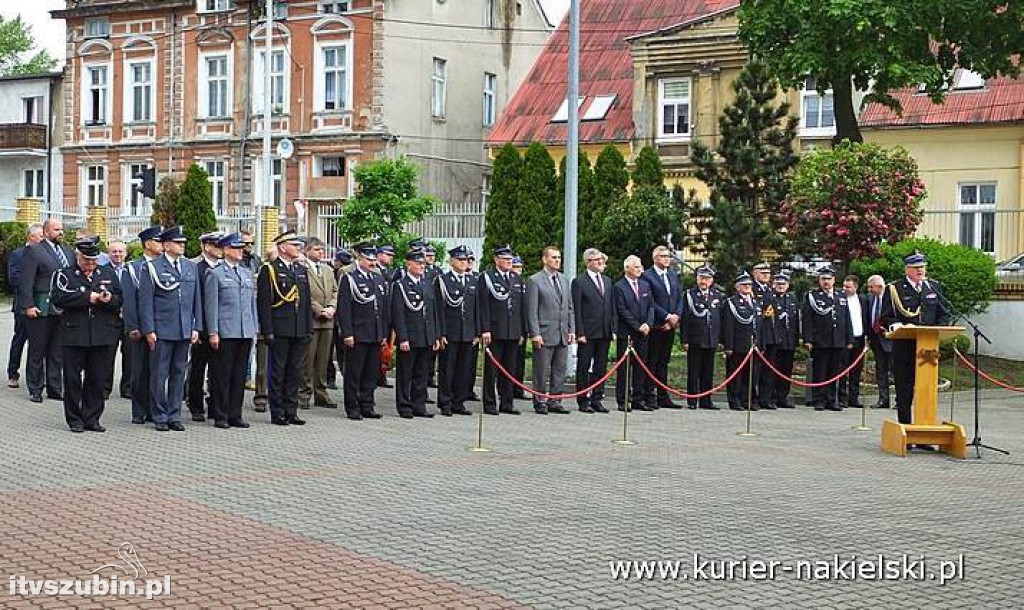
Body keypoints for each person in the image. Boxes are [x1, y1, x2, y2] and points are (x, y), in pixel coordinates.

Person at [51, 237, 122, 433]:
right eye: (86, 261)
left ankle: (92, 418)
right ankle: (74, 419)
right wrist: (87, 297)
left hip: (101, 334)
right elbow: (58, 298)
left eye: (94, 260)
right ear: (77, 257)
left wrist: (108, 299)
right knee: (73, 379)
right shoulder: (64, 274)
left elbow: (119, 299)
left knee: (97, 379)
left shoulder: (107, 273)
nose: (90, 265)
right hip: (74, 334)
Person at [139, 226, 203, 431]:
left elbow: (196, 300)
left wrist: (196, 326)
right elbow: (146, 302)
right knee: (159, 374)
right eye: (178, 243)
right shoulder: (152, 267)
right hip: (162, 329)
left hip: (184, 329)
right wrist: (149, 329)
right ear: (166, 245)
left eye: (183, 243)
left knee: (178, 373)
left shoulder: (189, 267)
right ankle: (159, 415)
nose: (182, 246)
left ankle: (174, 414)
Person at [879, 252, 951, 427]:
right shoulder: (894, 289)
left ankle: (924, 430)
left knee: (925, 390)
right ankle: (905, 427)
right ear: (907, 269)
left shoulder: (933, 287)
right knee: (904, 390)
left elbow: (944, 313)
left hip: (928, 347)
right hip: (904, 346)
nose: (920, 270)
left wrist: (938, 329)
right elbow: (886, 316)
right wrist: (897, 326)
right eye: (916, 267)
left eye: (923, 267)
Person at [257, 231, 313, 426]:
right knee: (278, 372)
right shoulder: (270, 270)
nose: (298, 248)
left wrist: (308, 328)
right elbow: (264, 304)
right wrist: (267, 331)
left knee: (295, 372)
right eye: (294, 244)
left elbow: (305, 303)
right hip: (280, 328)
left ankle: (291, 410)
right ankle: (277, 411)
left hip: (298, 329)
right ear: (282, 247)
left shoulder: (300, 270)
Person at [204, 233, 257, 429]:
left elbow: (252, 304)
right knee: (222, 375)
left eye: (242, 248)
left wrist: (254, 328)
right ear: (226, 250)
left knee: (239, 375)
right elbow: (212, 306)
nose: (241, 251)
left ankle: (236, 414)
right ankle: (221, 414)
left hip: (244, 330)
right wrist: (213, 332)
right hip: (225, 331)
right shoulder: (215, 273)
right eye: (236, 248)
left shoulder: (245, 273)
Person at [18, 217, 75, 403]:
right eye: (57, 229)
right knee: (37, 349)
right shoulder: (35, 251)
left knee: (57, 351)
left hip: (61, 307)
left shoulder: (67, 252)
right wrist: (28, 305)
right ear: (46, 231)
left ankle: (55, 387)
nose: (61, 232)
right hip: (40, 306)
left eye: (61, 229)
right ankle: (35, 388)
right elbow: (25, 281)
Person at [337, 243, 387, 420]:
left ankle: (367, 404)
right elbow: (344, 308)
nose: (372, 263)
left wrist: (383, 334)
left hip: (374, 333)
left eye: (374, 259)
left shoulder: (378, 279)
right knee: (353, 373)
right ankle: (352, 407)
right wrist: (347, 333)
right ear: (359, 259)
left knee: (371, 373)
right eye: (368, 259)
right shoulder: (349, 278)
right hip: (358, 333)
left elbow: (382, 309)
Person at [391, 248, 442, 419]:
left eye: (423, 264)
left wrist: (435, 336)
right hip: (410, 337)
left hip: (426, 336)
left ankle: (418, 405)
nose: (422, 266)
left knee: (421, 373)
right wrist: (402, 337)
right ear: (409, 264)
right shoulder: (401, 285)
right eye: (418, 263)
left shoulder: (427, 284)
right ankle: (404, 406)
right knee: (406, 373)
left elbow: (432, 312)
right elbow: (398, 314)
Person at [526, 246, 575, 415]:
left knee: (559, 369)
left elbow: (569, 308)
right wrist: (535, 333)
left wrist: (571, 330)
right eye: (553, 257)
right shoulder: (535, 280)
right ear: (544, 259)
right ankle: (540, 401)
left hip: (561, 332)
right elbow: (531, 310)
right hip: (544, 332)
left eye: (559, 257)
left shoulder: (564, 280)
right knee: (541, 370)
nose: (557, 260)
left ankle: (555, 400)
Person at [122, 226, 163, 424]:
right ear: (147, 244)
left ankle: (155, 407)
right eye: (158, 241)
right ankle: (139, 410)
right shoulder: (133, 268)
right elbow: (129, 300)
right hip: (139, 327)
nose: (162, 244)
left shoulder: (166, 266)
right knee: (139, 370)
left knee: (158, 371)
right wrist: (133, 327)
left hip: (161, 327)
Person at [479, 246, 526, 415]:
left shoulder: (516, 278)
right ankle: (490, 404)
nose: (509, 262)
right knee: (491, 371)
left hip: (512, 331)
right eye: (505, 259)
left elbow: (521, 307)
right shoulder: (488, 278)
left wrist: (522, 331)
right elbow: (483, 306)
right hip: (495, 331)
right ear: (496, 260)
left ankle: (507, 403)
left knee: (510, 369)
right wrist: (485, 329)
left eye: (510, 259)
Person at [801, 266, 853, 411]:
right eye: (823, 279)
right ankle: (819, 399)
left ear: (834, 280)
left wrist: (849, 339)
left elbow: (846, 319)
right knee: (820, 372)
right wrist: (808, 340)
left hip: (838, 340)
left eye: (829, 279)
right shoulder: (812, 297)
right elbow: (807, 320)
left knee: (834, 372)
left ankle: (832, 400)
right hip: (820, 341)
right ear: (819, 280)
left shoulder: (841, 296)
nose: (826, 282)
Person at [185, 231, 224, 421]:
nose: (221, 250)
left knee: (218, 369)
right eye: (217, 246)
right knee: (198, 367)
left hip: (220, 326)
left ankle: (215, 405)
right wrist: (196, 326)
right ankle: (195, 405)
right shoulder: (194, 267)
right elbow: (193, 299)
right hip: (202, 326)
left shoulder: (224, 267)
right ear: (207, 247)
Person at [436, 245, 478, 417]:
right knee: (448, 369)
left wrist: (478, 331)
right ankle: (445, 403)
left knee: (464, 370)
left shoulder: (472, 281)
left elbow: (477, 309)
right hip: (450, 332)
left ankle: (459, 402)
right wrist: (441, 333)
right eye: (460, 260)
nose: (463, 263)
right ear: (452, 261)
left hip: (467, 332)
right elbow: (438, 309)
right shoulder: (443, 281)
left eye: (466, 260)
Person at [571, 248, 615, 413]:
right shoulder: (579, 282)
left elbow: (611, 307)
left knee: (600, 367)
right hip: (588, 333)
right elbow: (577, 309)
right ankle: (583, 400)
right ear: (588, 262)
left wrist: (612, 329)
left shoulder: (607, 281)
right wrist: (579, 332)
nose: (601, 262)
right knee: (583, 366)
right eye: (597, 260)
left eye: (602, 260)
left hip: (604, 331)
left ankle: (597, 398)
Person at [641, 246, 683, 409]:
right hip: (657, 325)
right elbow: (650, 301)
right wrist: (666, 316)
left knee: (663, 362)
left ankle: (663, 396)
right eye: (663, 256)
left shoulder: (672, 275)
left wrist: (676, 316)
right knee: (652, 361)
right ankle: (649, 395)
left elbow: (679, 297)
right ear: (655, 258)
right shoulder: (647, 276)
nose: (667, 259)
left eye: (668, 256)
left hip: (670, 325)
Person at [300, 237, 339, 409]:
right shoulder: (302, 268)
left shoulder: (328, 270)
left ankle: (321, 393)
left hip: (328, 322)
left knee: (323, 360)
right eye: (317, 249)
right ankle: (304, 393)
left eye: (322, 249)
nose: (321, 252)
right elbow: (304, 293)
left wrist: (331, 307)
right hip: (312, 320)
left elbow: (336, 291)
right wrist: (319, 310)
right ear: (307, 250)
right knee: (308, 360)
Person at [614, 255, 654, 411]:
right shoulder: (619, 287)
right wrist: (637, 326)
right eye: (636, 267)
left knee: (641, 366)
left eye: (640, 266)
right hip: (627, 333)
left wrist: (648, 324)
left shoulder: (645, 285)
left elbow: (651, 306)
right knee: (624, 368)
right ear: (627, 268)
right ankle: (623, 400)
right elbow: (622, 310)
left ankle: (638, 398)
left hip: (643, 333)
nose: (640, 269)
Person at [680, 263, 723, 410]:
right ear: (697, 279)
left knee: (708, 371)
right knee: (694, 371)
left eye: (707, 278)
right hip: (695, 339)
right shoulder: (689, 295)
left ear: (711, 280)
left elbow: (719, 319)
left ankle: (706, 400)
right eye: (701, 278)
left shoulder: (717, 296)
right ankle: (692, 400)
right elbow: (685, 319)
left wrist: (720, 339)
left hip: (711, 339)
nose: (704, 281)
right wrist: (684, 339)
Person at [6, 223, 43, 388]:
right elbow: (13, 278)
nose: (43, 239)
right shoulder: (18, 254)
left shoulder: (45, 254)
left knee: (41, 343)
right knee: (20, 339)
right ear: (31, 237)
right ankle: (13, 373)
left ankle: (40, 376)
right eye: (40, 236)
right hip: (22, 305)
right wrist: (31, 282)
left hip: (42, 305)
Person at [721, 272, 762, 411]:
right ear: (737, 287)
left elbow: (759, 325)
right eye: (744, 285)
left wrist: (760, 344)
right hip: (738, 344)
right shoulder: (731, 303)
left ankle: (748, 400)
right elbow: (728, 325)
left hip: (753, 345)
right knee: (735, 375)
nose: (747, 287)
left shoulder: (755, 302)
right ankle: (735, 401)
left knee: (750, 375)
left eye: (749, 285)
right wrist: (728, 346)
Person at [763, 272, 800, 409]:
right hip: (775, 341)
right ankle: (771, 397)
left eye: (783, 284)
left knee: (786, 371)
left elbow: (795, 321)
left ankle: (782, 396)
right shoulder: (770, 299)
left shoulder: (792, 299)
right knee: (772, 371)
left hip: (789, 341)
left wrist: (796, 340)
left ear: (788, 285)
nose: (781, 286)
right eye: (778, 284)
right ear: (773, 285)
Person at [240, 230, 268, 411]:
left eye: (251, 244)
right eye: (245, 244)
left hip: (255, 308)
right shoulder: (234, 262)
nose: (248, 247)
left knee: (256, 351)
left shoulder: (256, 260)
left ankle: (254, 385)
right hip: (239, 312)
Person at [102, 241, 131, 400]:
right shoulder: (103, 271)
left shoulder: (132, 270)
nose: (117, 254)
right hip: (110, 318)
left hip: (128, 319)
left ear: (125, 253)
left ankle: (127, 388)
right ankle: (105, 388)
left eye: (120, 252)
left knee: (130, 355)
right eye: (114, 252)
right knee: (107, 355)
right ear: (108, 253)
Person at [838, 275, 869, 408]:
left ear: (856, 287)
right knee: (843, 369)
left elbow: (866, 318)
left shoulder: (863, 300)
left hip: (860, 338)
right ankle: (842, 397)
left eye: (848, 287)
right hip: (844, 339)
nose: (845, 289)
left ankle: (853, 398)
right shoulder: (840, 299)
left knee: (856, 370)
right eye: (844, 286)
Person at [326, 249, 354, 390]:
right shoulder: (339, 271)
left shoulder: (342, 271)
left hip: (338, 317)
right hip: (331, 316)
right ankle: (330, 378)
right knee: (330, 351)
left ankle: (341, 376)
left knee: (340, 350)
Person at [865, 275, 893, 409]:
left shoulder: (892, 298)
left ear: (880, 287)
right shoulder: (870, 299)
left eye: (871, 287)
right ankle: (883, 399)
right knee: (880, 370)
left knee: (896, 371)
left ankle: (901, 401)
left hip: (891, 339)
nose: (869, 290)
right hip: (875, 340)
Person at [375, 244, 397, 389]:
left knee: (386, 347)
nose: (391, 258)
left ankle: (381, 375)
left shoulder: (388, 272)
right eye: (388, 255)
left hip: (388, 314)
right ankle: (376, 375)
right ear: (379, 254)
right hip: (377, 315)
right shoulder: (375, 271)